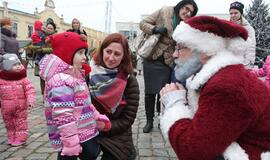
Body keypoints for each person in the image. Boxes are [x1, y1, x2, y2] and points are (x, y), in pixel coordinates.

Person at [159, 15, 270, 160]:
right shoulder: (223, 76)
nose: (174, 54)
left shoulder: (226, 86)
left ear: (205, 51)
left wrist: (175, 106)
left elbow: (194, 152)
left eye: (181, 47)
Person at [39, 32, 111, 160]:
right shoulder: (60, 81)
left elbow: (84, 103)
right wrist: (70, 142)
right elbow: (63, 115)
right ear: (66, 53)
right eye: (80, 53)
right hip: (73, 136)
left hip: (82, 130)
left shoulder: (75, 76)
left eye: (84, 53)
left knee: (92, 153)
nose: (84, 57)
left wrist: (96, 116)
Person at [139, 0, 198, 133]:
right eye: (185, 8)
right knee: (149, 92)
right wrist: (154, 29)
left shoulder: (187, 25)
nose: (187, 13)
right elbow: (143, 24)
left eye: (191, 12)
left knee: (163, 91)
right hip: (152, 56)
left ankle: (162, 119)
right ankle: (149, 121)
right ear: (180, 6)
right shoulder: (164, 11)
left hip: (168, 61)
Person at [88, 33, 139, 160]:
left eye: (117, 54)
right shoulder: (88, 74)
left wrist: (105, 126)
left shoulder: (129, 81)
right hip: (88, 129)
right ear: (102, 50)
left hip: (116, 134)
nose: (111, 58)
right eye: (108, 51)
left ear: (123, 57)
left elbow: (127, 120)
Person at [0, 53, 36, 146]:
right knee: (9, 123)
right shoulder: (1, 80)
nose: (18, 66)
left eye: (19, 64)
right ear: (6, 67)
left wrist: (30, 100)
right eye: (14, 65)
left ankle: (21, 139)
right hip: (6, 108)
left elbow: (30, 90)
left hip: (21, 107)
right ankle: (11, 137)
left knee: (21, 122)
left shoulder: (23, 79)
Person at [229, 1, 256, 67]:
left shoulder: (248, 28)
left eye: (236, 13)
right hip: (229, 61)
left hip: (243, 62)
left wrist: (248, 64)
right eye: (231, 13)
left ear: (241, 13)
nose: (233, 15)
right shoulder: (227, 26)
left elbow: (251, 47)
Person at [34, 21, 57, 95]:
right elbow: (34, 45)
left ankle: (51, 95)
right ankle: (44, 96)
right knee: (42, 79)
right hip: (41, 61)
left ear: (54, 30)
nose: (49, 29)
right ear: (45, 28)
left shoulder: (56, 38)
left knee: (52, 79)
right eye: (48, 28)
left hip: (52, 62)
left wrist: (43, 50)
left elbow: (55, 49)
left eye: (51, 28)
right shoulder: (41, 36)